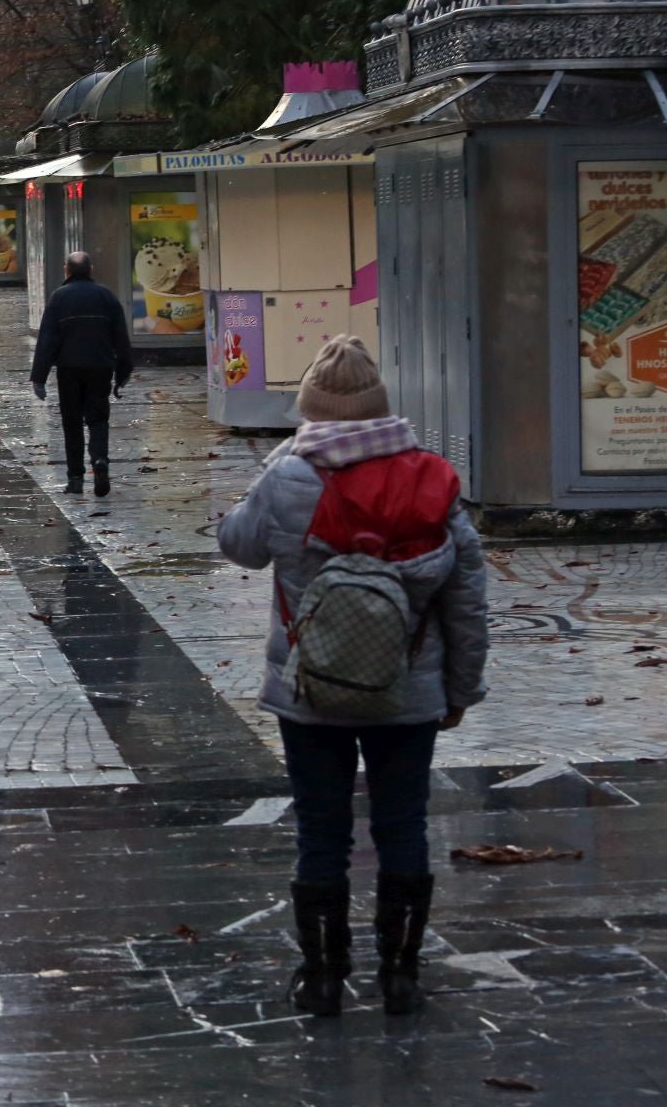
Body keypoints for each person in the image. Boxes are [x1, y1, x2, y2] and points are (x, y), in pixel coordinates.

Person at [217, 335, 488, 1020]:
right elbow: (467, 594)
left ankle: (323, 978)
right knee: (403, 825)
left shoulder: (287, 474)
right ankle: (400, 976)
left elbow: (238, 545)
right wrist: (459, 688)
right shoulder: (430, 476)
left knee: (321, 831)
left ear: (311, 408)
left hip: (310, 692)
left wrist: (278, 463)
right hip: (410, 692)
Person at [31, 251, 132, 497]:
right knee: (98, 418)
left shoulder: (58, 298)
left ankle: (75, 478)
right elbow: (121, 338)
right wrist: (123, 373)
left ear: (66, 270)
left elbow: (47, 340)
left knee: (72, 423)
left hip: (69, 369)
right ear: (91, 269)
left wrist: (39, 377)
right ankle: (99, 460)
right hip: (100, 367)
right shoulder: (106, 297)